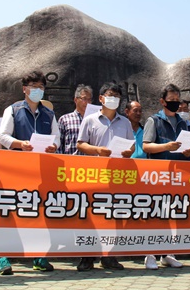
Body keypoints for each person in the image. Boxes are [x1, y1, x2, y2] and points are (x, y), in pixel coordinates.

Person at [0, 71, 58, 274]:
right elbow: (3, 136)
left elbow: (56, 137)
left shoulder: (49, 114)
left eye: (41, 87)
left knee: (39, 214)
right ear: (24, 88)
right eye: (33, 86)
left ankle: (39, 257)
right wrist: (18, 144)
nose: (37, 90)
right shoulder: (13, 110)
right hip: (16, 170)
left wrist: (53, 146)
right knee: (11, 213)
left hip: (41, 171)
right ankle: (4, 258)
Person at [76, 82, 134, 271]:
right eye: (110, 95)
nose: (113, 99)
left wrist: (128, 152)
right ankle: (87, 257)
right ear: (101, 98)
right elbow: (81, 144)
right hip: (94, 174)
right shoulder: (90, 119)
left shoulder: (124, 121)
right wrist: (98, 150)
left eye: (117, 96)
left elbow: (132, 145)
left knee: (114, 216)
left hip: (116, 175)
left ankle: (109, 257)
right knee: (90, 216)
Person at [142, 83, 190, 269]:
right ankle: (149, 254)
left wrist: (188, 152)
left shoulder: (184, 122)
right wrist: (166, 146)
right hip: (158, 175)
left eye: (177, 100)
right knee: (154, 214)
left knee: (171, 215)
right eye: (171, 100)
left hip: (177, 176)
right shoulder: (154, 120)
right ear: (162, 101)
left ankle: (167, 253)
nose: (175, 103)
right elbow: (146, 146)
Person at [57, 84, 93, 155]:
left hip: (91, 164)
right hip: (70, 163)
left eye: (89, 99)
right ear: (76, 100)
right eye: (84, 99)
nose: (87, 102)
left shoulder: (94, 120)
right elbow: (59, 144)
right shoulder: (65, 119)